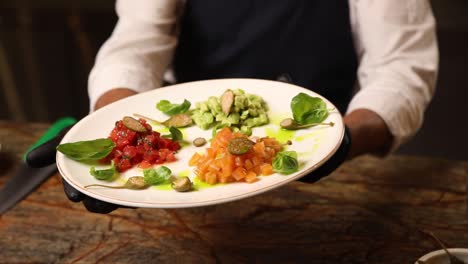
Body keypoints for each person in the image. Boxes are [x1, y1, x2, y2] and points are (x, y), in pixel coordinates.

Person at [60, 0, 438, 213]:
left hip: (320, 179)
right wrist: (118, 134)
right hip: (187, 169)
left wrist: (346, 142)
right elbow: (137, 41)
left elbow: (401, 67)